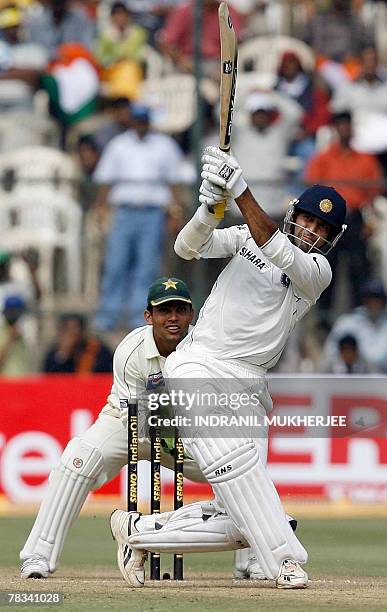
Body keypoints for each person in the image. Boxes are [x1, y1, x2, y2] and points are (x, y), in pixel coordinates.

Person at [109, 146, 347, 589]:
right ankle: (287, 562)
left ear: (333, 237)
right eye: (309, 220)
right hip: (200, 364)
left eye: (323, 228)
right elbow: (187, 247)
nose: (313, 232)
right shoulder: (242, 238)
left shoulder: (316, 270)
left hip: (252, 384)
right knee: (237, 468)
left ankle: (139, 533)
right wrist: (208, 207)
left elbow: (277, 248)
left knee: (244, 522)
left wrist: (240, 189)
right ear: (295, 214)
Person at [20, 276, 205, 578]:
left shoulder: (205, 347)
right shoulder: (131, 350)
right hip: (127, 423)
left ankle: (254, 559)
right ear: (149, 316)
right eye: (164, 310)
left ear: (191, 313)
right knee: (78, 459)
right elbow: (141, 424)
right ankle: (38, 556)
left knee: (234, 469)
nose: (173, 318)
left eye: (180, 309)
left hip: (184, 432)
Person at [93, 103, 185, 331]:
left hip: (153, 213)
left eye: (144, 119)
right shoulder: (119, 145)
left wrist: (176, 212)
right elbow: (106, 179)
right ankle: (107, 318)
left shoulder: (164, 145)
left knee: (146, 268)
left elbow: (174, 181)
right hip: (124, 211)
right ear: (132, 120)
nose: (141, 124)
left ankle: (139, 318)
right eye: (137, 119)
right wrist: (101, 209)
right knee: (115, 265)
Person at [304, 110, 383, 323]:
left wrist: (370, 220)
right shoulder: (323, 159)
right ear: (335, 129)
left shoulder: (365, 160)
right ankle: (324, 316)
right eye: (340, 125)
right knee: (326, 266)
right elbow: (312, 188)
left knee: (359, 268)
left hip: (355, 218)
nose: (344, 129)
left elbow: (373, 193)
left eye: (347, 125)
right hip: (330, 221)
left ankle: (361, 314)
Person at [322, 279, 387, 374]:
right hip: (353, 377)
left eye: (377, 298)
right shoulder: (347, 322)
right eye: (371, 298)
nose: (374, 303)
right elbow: (330, 353)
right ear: (365, 300)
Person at [43, 313, 113, 374]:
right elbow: (49, 378)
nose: (73, 334)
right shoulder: (55, 354)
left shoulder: (97, 350)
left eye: (76, 329)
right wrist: (63, 355)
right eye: (68, 330)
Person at [0, 295, 32, 376]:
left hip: (24, 382)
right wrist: (10, 339)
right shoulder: (2, 331)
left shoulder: (21, 331)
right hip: (7, 384)